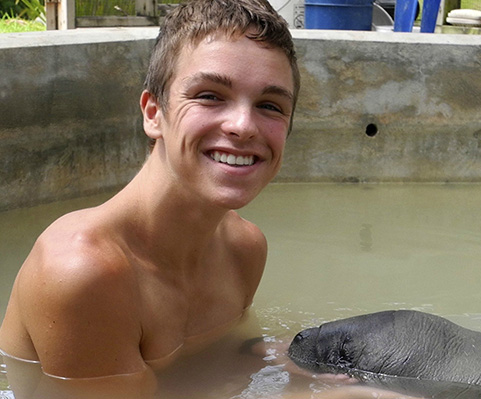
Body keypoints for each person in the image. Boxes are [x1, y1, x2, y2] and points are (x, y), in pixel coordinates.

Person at [0, 0, 300, 397]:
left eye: (269, 106)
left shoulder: (244, 248)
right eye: (210, 96)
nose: (243, 126)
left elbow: (227, 367)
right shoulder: (83, 271)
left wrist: (301, 372)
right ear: (153, 112)